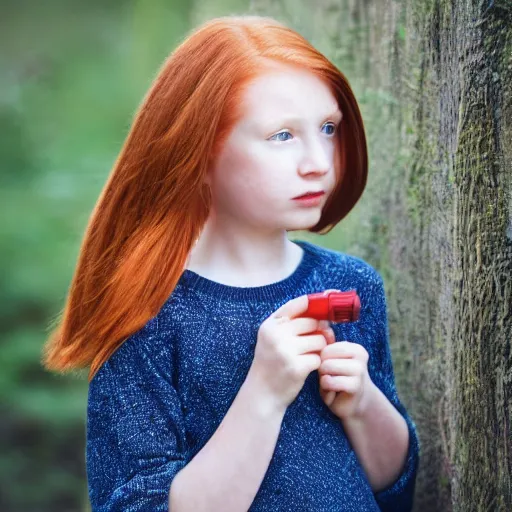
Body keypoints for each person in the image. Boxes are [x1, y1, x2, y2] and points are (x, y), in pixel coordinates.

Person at [41, 14, 420, 511]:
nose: (319, 161)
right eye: (281, 135)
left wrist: (364, 405)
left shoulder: (349, 285)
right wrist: (263, 394)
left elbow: (393, 488)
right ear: (198, 152)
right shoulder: (146, 315)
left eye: (328, 128)